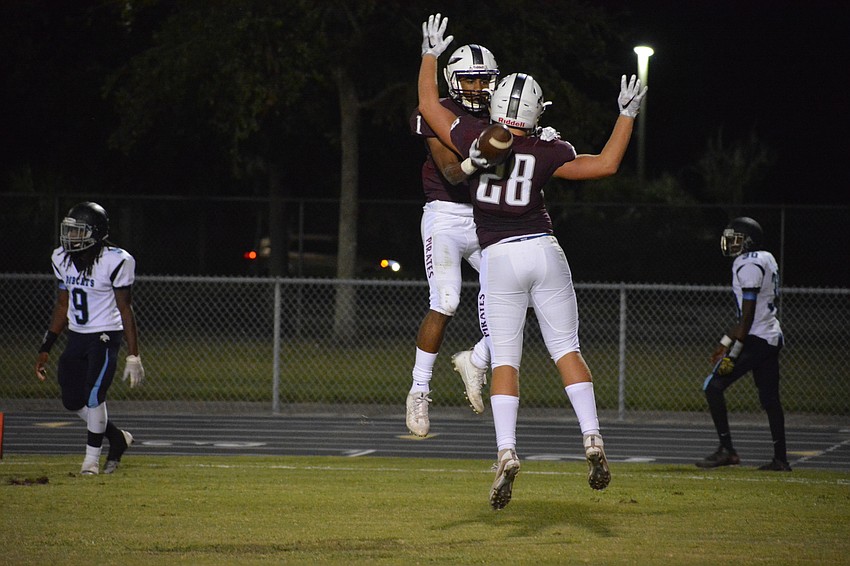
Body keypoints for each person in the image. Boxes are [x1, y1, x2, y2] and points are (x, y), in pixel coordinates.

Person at [418, 14, 646, 509]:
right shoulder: (546, 147)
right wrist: (626, 115)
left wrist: (429, 57)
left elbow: (426, 105)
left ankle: (506, 451)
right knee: (566, 349)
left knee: (506, 360)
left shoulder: (473, 138)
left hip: (498, 257)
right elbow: (605, 165)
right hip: (544, 250)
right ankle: (592, 437)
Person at [406, 42, 499, 436]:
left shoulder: (501, 114)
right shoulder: (439, 112)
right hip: (445, 216)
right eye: (469, 78)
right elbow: (450, 172)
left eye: (483, 79)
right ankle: (419, 389)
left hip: (488, 219)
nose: (477, 86)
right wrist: (479, 158)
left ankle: (476, 359)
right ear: (452, 80)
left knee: (520, 294)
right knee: (446, 300)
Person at [35, 201, 145, 475]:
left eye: (78, 232)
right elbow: (63, 305)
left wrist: (133, 355)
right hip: (77, 336)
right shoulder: (61, 258)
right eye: (70, 231)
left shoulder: (116, 260)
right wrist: (47, 345)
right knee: (72, 400)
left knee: (95, 395)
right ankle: (117, 438)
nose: (71, 237)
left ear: (95, 234)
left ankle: (90, 461)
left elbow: (125, 308)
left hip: (106, 335)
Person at [697, 217, 790, 471]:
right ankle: (781, 459)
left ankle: (727, 451)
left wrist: (732, 350)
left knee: (713, 386)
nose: (729, 243)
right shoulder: (766, 258)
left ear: (747, 240)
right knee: (770, 399)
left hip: (755, 339)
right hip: (770, 336)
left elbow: (746, 320)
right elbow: (747, 318)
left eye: (735, 238)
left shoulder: (747, 264)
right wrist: (723, 342)